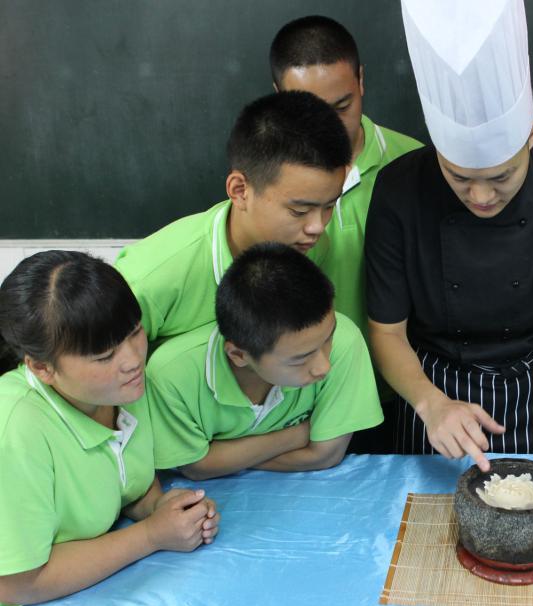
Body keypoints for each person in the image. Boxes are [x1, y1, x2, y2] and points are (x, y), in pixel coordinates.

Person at [366, 0, 533, 493]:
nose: (480, 196)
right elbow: (387, 333)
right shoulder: (398, 191)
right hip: (434, 391)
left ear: (532, 137)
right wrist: (430, 404)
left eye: (501, 177)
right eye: (458, 176)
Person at [0, 252, 219, 606]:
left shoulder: (121, 391)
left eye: (135, 332)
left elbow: (125, 485)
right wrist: (151, 535)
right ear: (42, 367)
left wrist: (164, 509)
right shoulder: (16, 430)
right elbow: (17, 582)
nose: (133, 360)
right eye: (104, 356)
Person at [269, 16, 423, 452]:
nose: (328, 127)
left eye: (341, 106)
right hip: (299, 399)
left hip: (401, 396)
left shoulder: (414, 165)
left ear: (362, 81)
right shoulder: (264, 180)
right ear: (279, 98)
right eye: (307, 109)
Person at [115, 91, 350, 344]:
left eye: (329, 206)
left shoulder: (308, 246)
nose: (317, 227)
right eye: (299, 211)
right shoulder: (150, 281)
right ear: (239, 190)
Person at [147, 243, 382, 479]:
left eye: (328, 339)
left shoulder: (345, 340)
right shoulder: (171, 375)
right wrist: (301, 434)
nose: (324, 367)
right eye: (300, 359)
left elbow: (325, 455)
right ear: (239, 355)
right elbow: (196, 467)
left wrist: (222, 457)